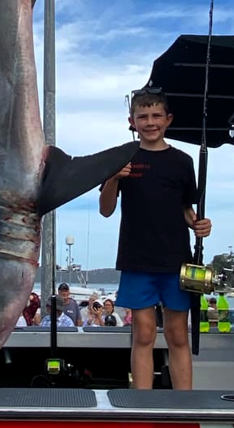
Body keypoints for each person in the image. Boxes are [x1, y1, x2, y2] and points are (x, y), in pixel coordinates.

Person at [99, 86, 212, 390]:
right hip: (137, 259)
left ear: (168, 119)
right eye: (143, 116)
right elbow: (106, 210)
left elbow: (187, 209)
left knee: (177, 334)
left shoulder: (183, 161)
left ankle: (185, 403)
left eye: (156, 116)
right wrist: (112, 178)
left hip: (178, 261)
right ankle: (141, 403)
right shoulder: (122, 157)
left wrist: (199, 225)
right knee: (144, 333)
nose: (150, 122)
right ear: (132, 121)